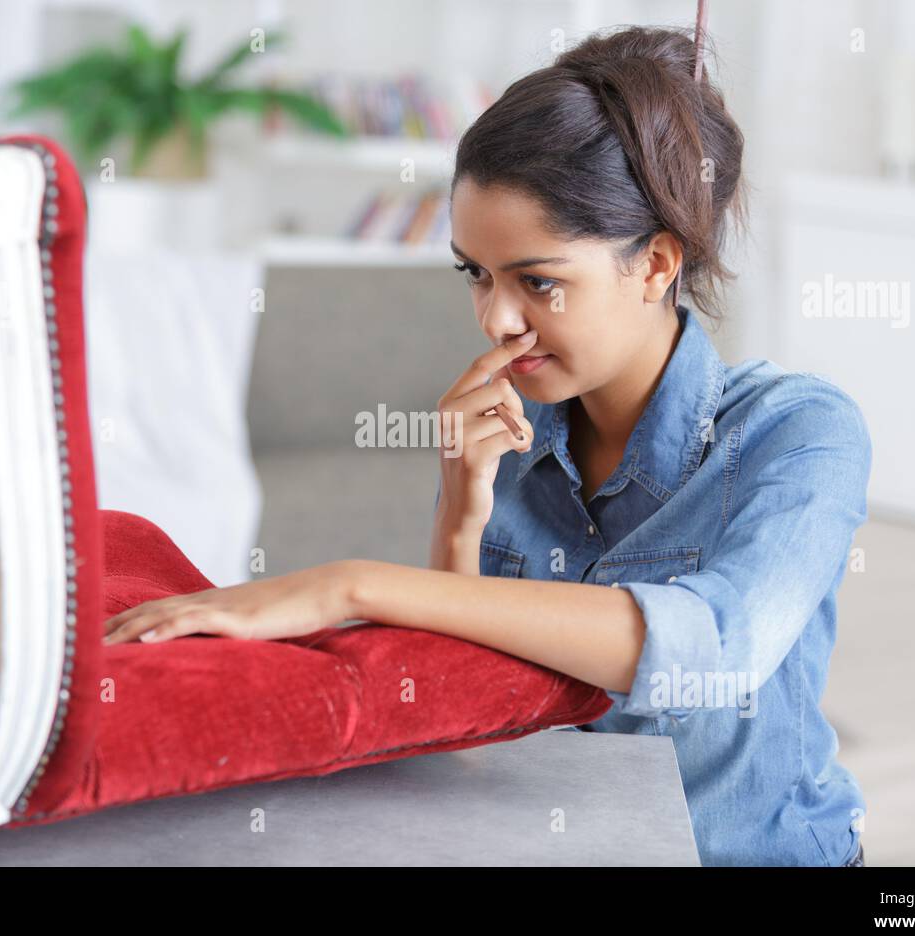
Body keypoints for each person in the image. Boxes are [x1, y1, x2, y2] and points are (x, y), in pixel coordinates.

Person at [104, 25, 870, 867]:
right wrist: (461, 522)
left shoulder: (800, 433)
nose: (496, 320)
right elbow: (458, 725)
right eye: (476, 273)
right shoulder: (509, 426)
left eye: (537, 281)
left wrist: (350, 585)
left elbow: (716, 651)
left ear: (654, 266)